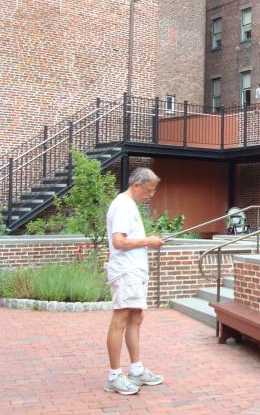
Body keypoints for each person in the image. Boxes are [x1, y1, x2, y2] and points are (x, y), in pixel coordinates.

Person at [104, 167, 165, 395]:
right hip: (126, 272)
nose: (149, 195)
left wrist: (147, 241)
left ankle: (136, 370)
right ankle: (114, 375)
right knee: (120, 318)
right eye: (148, 190)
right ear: (136, 185)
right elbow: (119, 242)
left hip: (135, 272)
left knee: (136, 318)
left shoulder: (130, 206)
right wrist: (147, 241)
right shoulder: (122, 205)